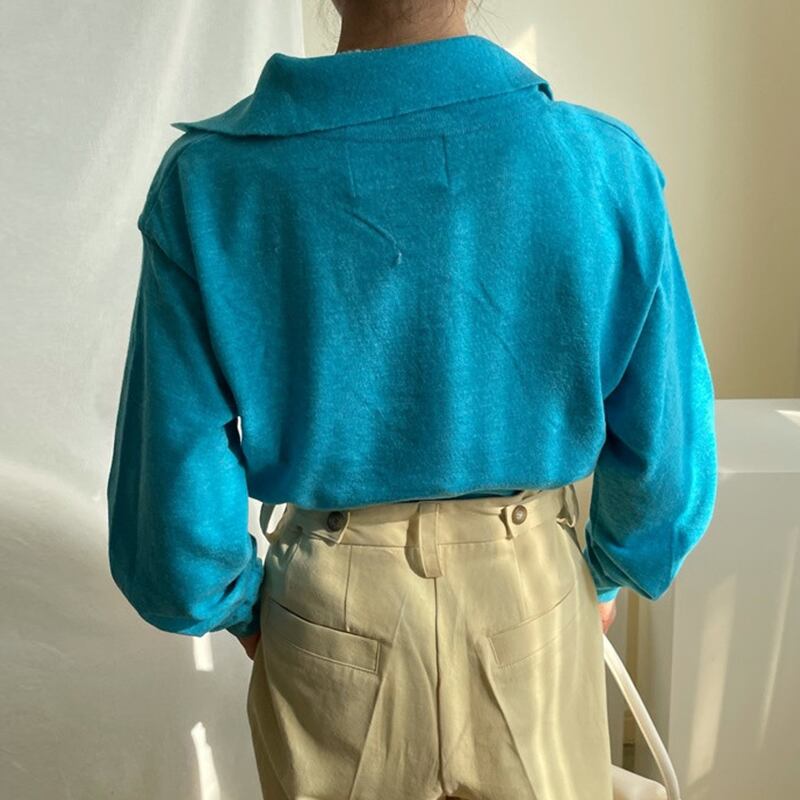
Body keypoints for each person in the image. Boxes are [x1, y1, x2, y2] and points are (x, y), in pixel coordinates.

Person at [106, 0, 717, 797]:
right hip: (531, 589)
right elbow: (667, 464)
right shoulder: (602, 166)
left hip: (330, 604)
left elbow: (174, 495)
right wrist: (600, 574)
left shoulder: (211, 183)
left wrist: (243, 608)